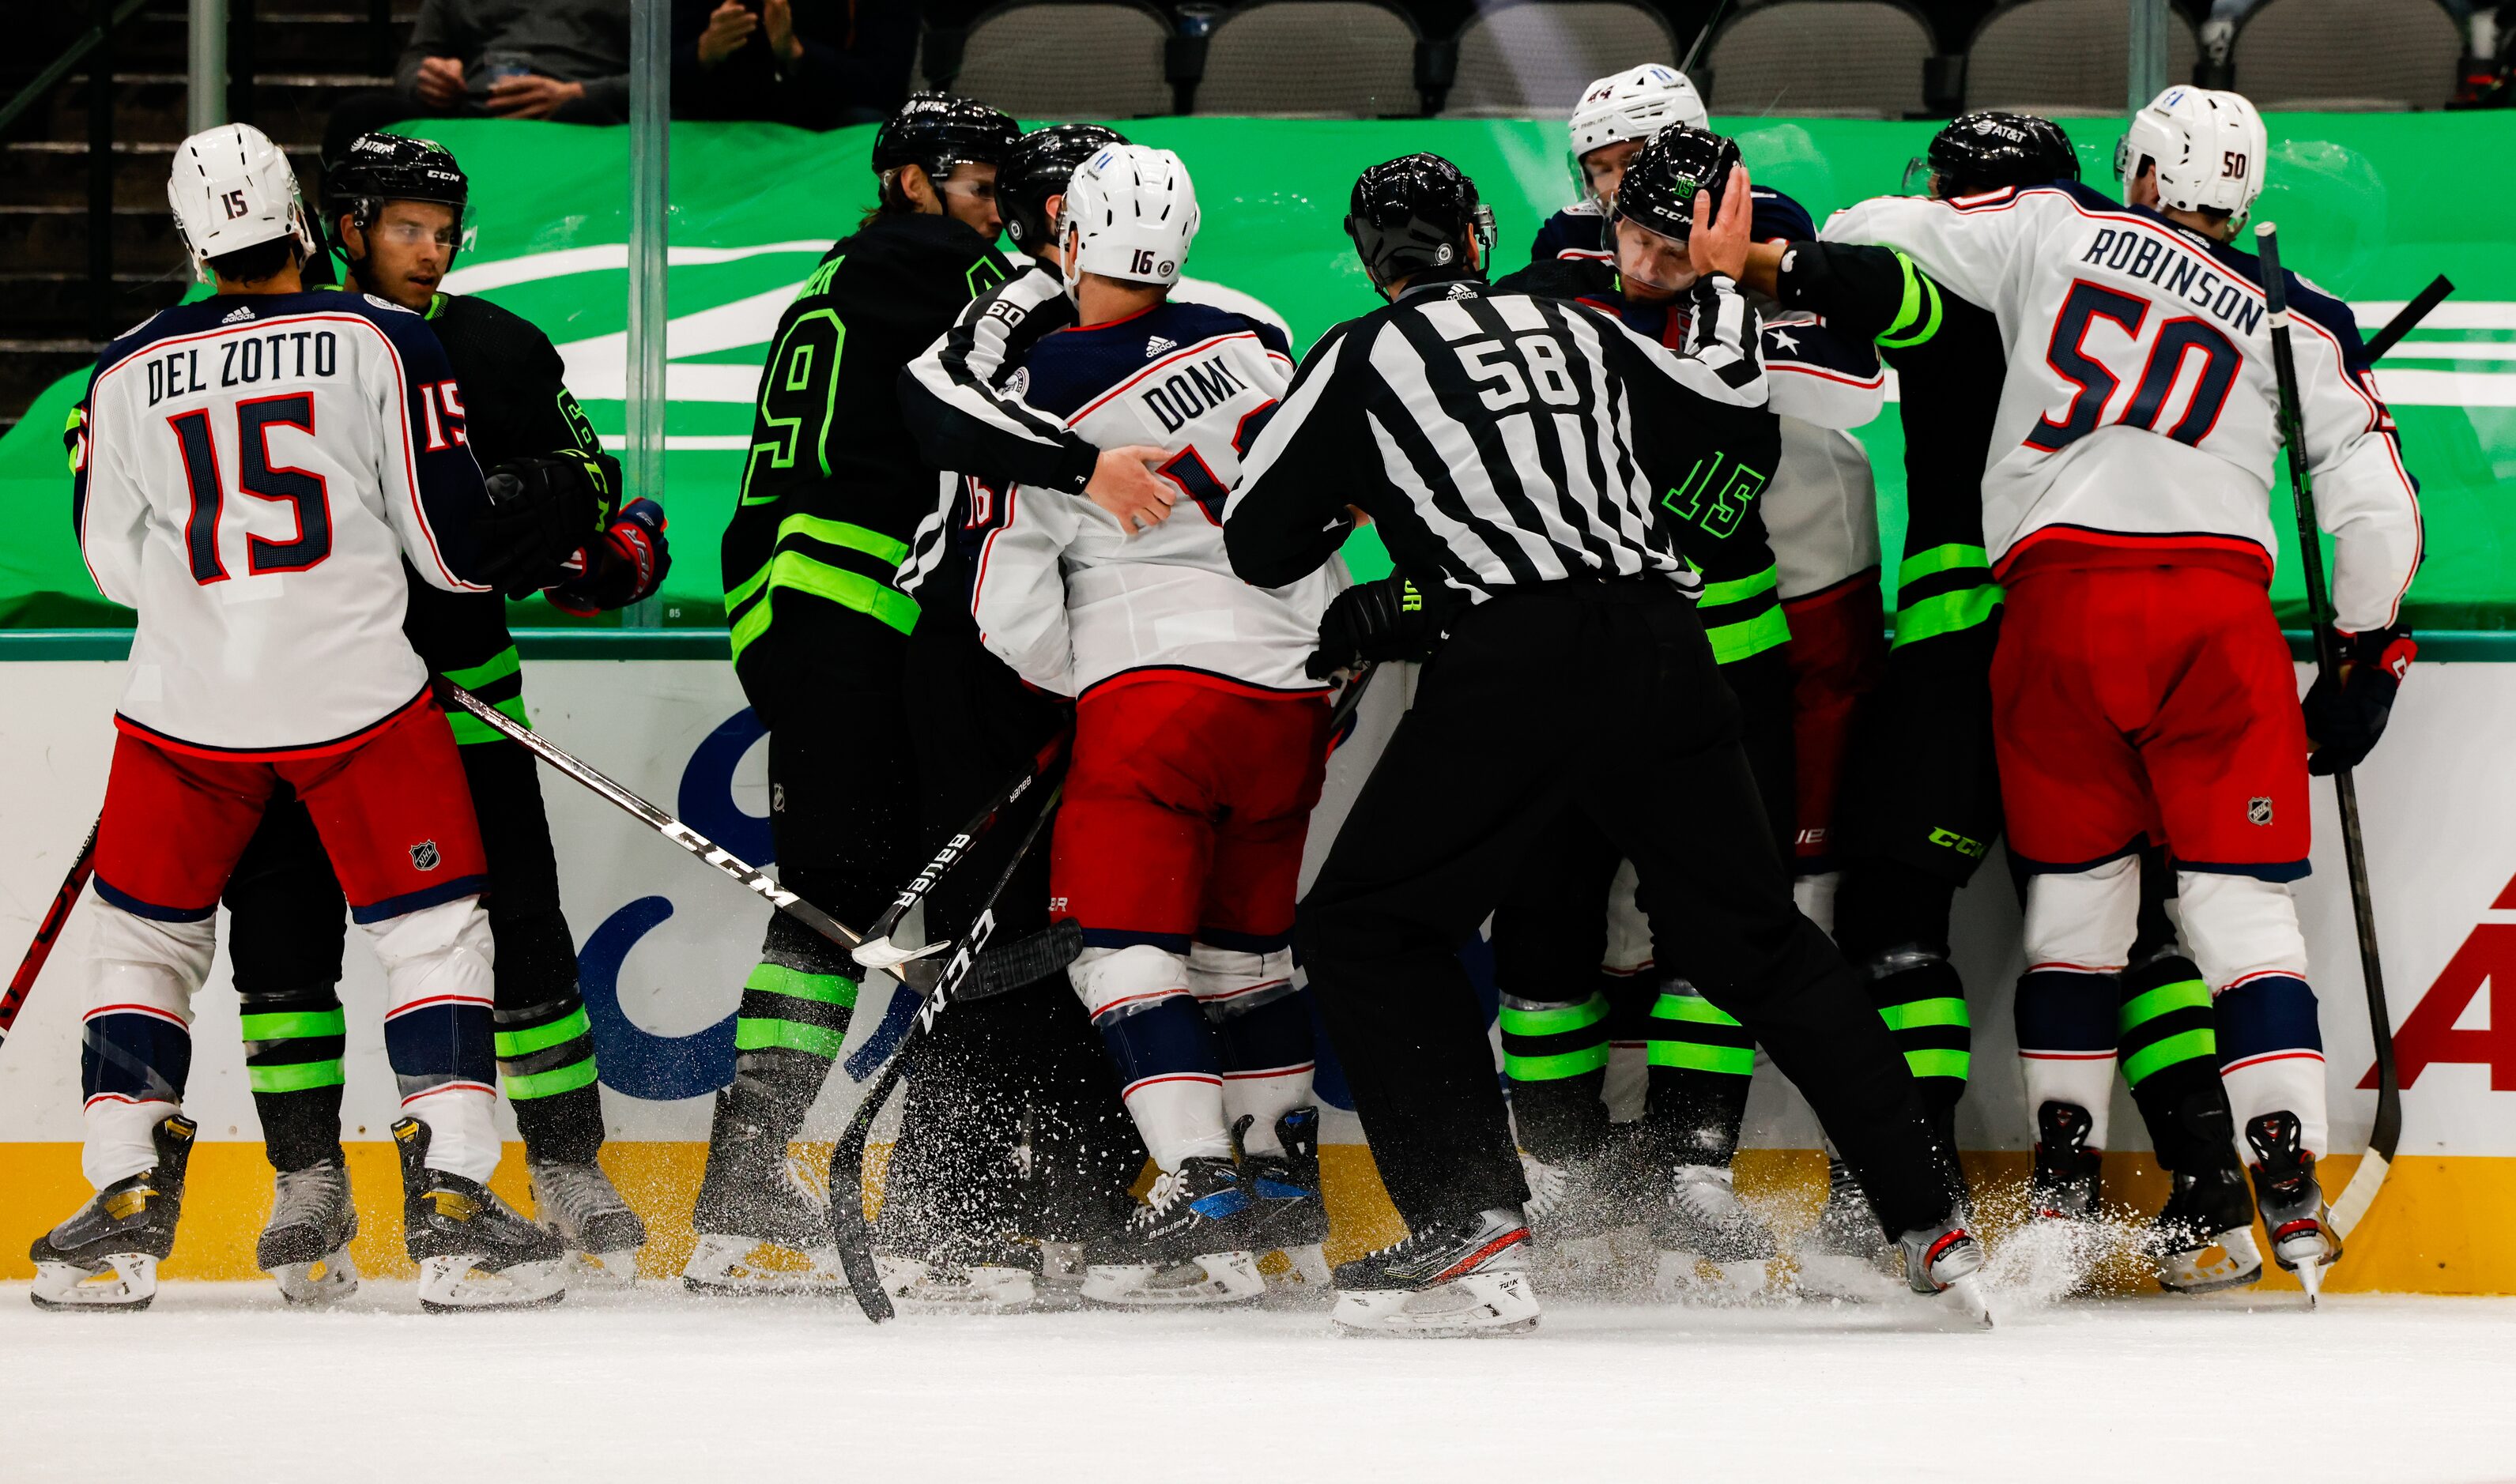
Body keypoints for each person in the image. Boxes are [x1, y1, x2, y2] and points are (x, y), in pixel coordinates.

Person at [1224, 153, 1987, 1335]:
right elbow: (1724, 427)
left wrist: (1376, 509)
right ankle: (1927, 1217)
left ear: (1370, 262)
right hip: (1661, 643)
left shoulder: (1357, 353)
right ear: (1479, 236)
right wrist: (1724, 285)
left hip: (1508, 662)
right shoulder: (1570, 324)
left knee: (1365, 929)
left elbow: (1257, 540)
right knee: (1759, 942)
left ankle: (1471, 1220)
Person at [1817, 86, 2423, 1295]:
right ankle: (2228, 1185)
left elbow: (1851, 244)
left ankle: (1966, 1195)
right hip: (2192, 618)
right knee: (2184, 924)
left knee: (1955, 921)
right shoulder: (2242, 300)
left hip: (2004, 633)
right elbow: (2368, 500)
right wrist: (2367, 650)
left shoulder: (2017, 245)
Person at [32, 123, 560, 1313]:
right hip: (362, 701)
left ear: (189, 239)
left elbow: (112, 566)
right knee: (432, 938)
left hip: (182, 712)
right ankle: (459, 1209)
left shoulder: (118, 371)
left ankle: (120, 1205)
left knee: (144, 948)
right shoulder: (386, 338)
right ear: (307, 222)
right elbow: (449, 551)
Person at [206, 132, 668, 1305]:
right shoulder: (255, 342)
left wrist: (553, 516)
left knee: (518, 933)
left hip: (457, 700)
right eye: (406, 227)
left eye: (444, 230)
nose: (430, 250)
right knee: (287, 944)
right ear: (343, 225)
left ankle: (563, 1162)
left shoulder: (496, 347)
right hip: (297, 710)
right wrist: (511, 519)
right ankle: (305, 1180)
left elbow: (584, 482)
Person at [1488, 122, 1891, 1296]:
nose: (1633, 217)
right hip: (1586, 648)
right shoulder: (1554, 284)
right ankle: (1564, 1176)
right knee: (1548, 916)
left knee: (1721, 917)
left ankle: (1687, 1167)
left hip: (1726, 651)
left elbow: (1859, 389)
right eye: (1609, 183)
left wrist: (1739, 289)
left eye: (1660, 198)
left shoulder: (1764, 272)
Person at [950, 144, 1338, 1305]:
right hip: (1290, 691)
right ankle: (1282, 1187)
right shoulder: (1256, 339)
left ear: (1068, 238)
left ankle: (1197, 1184)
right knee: (1246, 959)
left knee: (1125, 953)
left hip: (1151, 691)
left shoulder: (1036, 391)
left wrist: (1099, 680)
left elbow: (1003, 602)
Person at [693, 92, 1020, 1295]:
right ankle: (785, 1183)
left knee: (846, 893)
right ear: (909, 182)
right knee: (863, 897)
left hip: (798, 610)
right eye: (978, 184)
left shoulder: (843, 273)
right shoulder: (935, 265)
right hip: (855, 611)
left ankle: (746, 1188)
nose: (996, 208)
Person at [870, 122, 1160, 1312]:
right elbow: (930, 406)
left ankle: (1079, 1202)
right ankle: (951, 1206)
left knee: (1091, 927)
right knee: (980, 931)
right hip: (974, 649)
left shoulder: (1177, 324)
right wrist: (1080, 465)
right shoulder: (1017, 307)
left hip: (1090, 654)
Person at [326, 0, 633, 163]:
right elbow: (417, 58)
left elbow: (671, 75)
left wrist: (580, 94)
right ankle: (332, 260)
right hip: (473, 115)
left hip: (585, 116)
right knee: (358, 116)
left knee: (578, 115)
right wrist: (426, 79)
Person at [673, 0, 917, 130]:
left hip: (823, 120)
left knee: (867, 121)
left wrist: (797, 53)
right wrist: (703, 52)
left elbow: (887, 87)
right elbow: (650, 78)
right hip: (715, 122)